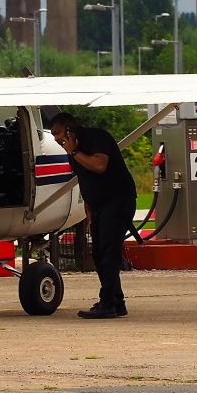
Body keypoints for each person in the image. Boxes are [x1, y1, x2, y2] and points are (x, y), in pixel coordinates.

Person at [49, 112, 136, 319]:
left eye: (58, 133)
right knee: (99, 252)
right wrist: (89, 212)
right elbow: (86, 181)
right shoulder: (73, 154)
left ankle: (108, 303)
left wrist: (75, 151)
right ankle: (116, 301)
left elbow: (99, 165)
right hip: (99, 206)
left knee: (108, 251)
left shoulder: (96, 138)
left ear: (70, 130)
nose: (56, 139)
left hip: (118, 200)